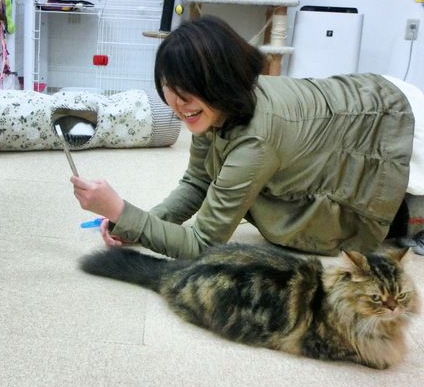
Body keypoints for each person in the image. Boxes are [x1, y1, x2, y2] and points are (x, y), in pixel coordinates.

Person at [71, 15, 424, 259]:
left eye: (187, 91)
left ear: (218, 82)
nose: (178, 103)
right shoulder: (215, 107)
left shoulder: (254, 142)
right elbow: (197, 182)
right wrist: (133, 223)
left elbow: (201, 244)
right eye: (169, 87)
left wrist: (120, 210)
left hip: (392, 121)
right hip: (360, 99)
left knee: (381, 211)